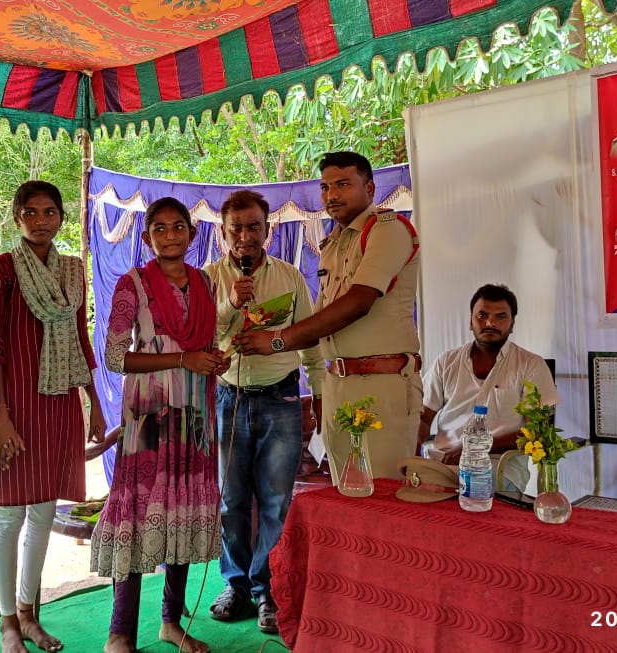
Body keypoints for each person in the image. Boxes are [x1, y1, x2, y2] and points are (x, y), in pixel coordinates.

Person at [90, 197, 229, 653]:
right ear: (147, 237)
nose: (170, 236)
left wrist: (213, 359)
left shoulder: (204, 283)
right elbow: (115, 358)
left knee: (182, 512)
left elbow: (206, 341)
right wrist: (183, 359)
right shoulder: (132, 283)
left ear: (192, 233)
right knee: (137, 514)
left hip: (194, 415)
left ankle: (171, 622)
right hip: (149, 417)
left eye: (178, 227)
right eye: (160, 229)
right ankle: (119, 633)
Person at [235, 151, 422, 482]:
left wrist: (278, 340)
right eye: (325, 187)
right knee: (344, 491)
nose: (331, 195)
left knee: (380, 493)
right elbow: (321, 317)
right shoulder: (333, 243)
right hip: (338, 383)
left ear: (369, 188)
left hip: (382, 383)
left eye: (343, 184)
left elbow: (358, 302)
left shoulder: (387, 230)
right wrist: (319, 387)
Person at [0, 181, 107, 653]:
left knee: (44, 511)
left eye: (49, 212)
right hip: (14, 403)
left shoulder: (73, 271)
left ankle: (30, 614)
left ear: (60, 217)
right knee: (10, 514)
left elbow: (80, 339)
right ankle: (7, 623)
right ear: (17, 218)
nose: (40, 221)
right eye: (30, 213)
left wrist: (94, 404)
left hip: (59, 403)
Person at [201, 190, 323, 634]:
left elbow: (309, 337)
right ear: (223, 232)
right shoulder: (207, 279)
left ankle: (268, 589)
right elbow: (201, 339)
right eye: (236, 228)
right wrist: (231, 304)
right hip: (228, 399)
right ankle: (235, 584)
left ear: (267, 230)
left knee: (276, 501)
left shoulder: (290, 277)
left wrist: (320, 392)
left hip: (281, 399)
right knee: (231, 498)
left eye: (254, 227)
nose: (245, 237)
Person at [417, 284, 558, 492]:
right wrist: (412, 458)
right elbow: (422, 418)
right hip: (442, 464)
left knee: (462, 494)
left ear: (512, 324)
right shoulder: (446, 362)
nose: (490, 323)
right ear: (470, 321)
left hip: (498, 469)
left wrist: (475, 447)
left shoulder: (531, 366)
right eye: (482, 315)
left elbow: (537, 432)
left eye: (501, 317)